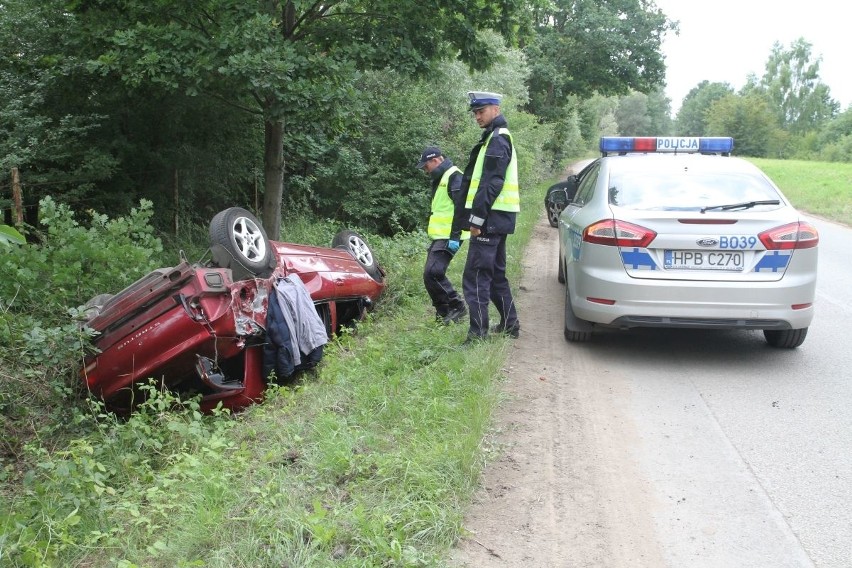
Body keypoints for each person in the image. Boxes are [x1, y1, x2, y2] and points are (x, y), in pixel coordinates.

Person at [459, 91, 520, 343]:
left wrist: (477, 220)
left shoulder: (497, 139)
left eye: (480, 111)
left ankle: (477, 334)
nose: (477, 116)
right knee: (495, 275)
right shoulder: (494, 137)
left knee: (475, 277)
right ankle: (510, 324)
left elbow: (491, 183)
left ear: (496, 109)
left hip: (490, 219)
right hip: (499, 219)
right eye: (475, 112)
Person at [416, 145, 469, 324]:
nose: (425, 170)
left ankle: (457, 305)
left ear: (436, 160)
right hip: (441, 235)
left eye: (426, 166)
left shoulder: (455, 176)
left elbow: (461, 209)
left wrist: (455, 236)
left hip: (450, 236)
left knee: (433, 272)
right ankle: (443, 312)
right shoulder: (441, 178)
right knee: (428, 274)